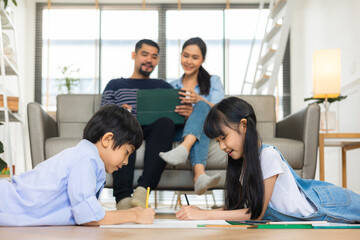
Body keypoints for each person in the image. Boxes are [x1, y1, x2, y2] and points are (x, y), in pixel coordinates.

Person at [175, 97, 360, 223]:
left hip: (330, 206)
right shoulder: (242, 165)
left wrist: (205, 215)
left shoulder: (268, 156)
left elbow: (256, 214)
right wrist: (202, 211)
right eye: (217, 141)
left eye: (224, 137)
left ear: (244, 125)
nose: (222, 146)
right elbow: (243, 208)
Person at [0, 104, 156, 226]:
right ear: (107, 139)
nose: (126, 161)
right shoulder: (86, 159)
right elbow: (89, 218)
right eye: (127, 152)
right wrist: (135, 214)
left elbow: (85, 214)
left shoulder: (87, 159)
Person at [101, 39, 176, 210]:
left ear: (157, 61)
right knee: (122, 127)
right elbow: (103, 115)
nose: (149, 59)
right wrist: (119, 111)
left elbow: (175, 115)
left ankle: (143, 191)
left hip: (153, 128)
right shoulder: (115, 85)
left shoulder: (163, 86)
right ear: (134, 55)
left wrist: (185, 112)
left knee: (166, 123)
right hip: (126, 127)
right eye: (145, 54)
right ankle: (123, 198)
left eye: (154, 56)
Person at [159, 37, 225, 195]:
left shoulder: (213, 81)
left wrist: (198, 101)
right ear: (181, 55)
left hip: (208, 128)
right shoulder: (172, 86)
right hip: (179, 130)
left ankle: (184, 148)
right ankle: (200, 175)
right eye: (185, 56)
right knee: (199, 127)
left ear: (203, 59)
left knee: (202, 106)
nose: (189, 61)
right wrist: (187, 117)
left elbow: (221, 110)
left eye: (195, 58)